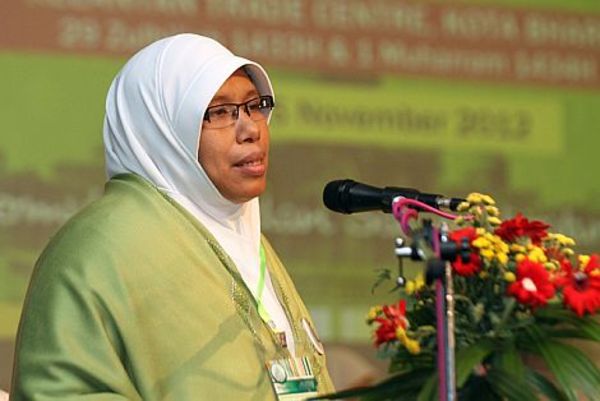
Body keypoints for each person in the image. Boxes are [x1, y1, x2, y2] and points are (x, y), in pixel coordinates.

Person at [10, 33, 333, 400]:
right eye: (220, 112)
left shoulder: (243, 239)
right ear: (160, 128)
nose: (252, 130)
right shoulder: (99, 247)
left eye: (254, 105)